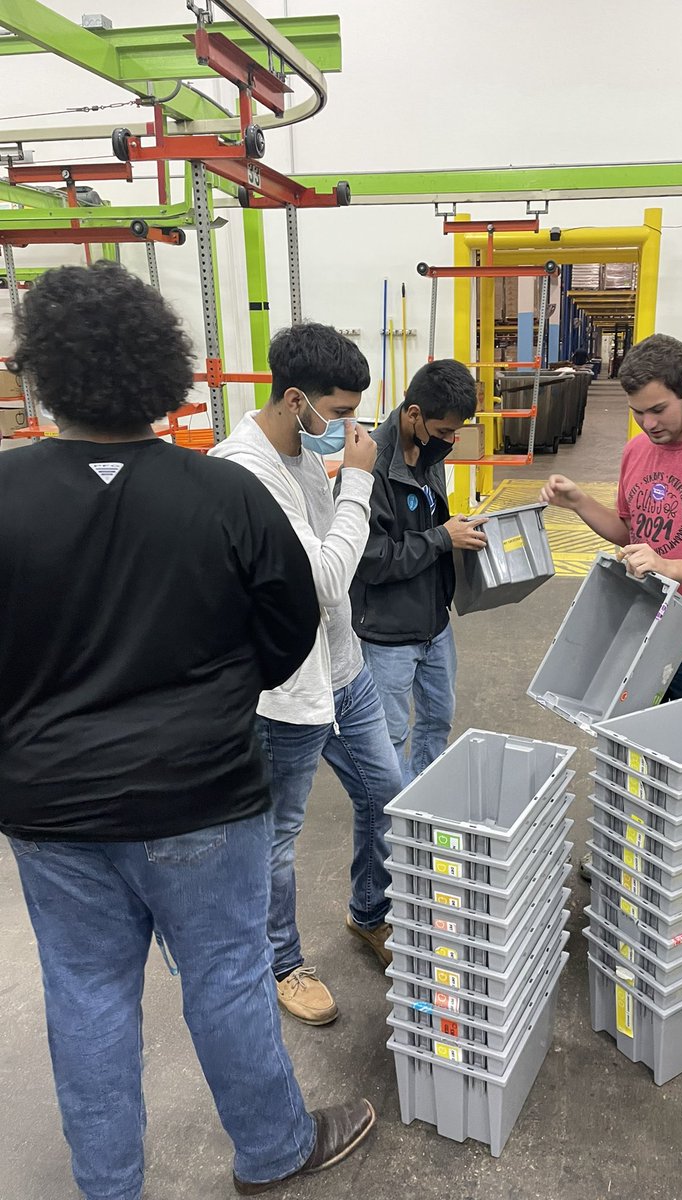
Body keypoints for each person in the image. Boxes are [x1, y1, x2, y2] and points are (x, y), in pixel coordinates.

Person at [0, 263, 375, 1200]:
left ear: (42, 372)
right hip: (201, 790)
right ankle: (273, 1149)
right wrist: (211, 691)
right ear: (165, 373)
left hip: (50, 805)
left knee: (86, 996)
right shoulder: (224, 496)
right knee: (227, 977)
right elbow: (291, 631)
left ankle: (110, 1185)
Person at [211, 322, 401, 1027]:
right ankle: (281, 962)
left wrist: (339, 478)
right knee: (276, 838)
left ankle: (369, 913)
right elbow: (321, 579)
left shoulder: (298, 453)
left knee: (388, 795)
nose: (349, 426)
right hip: (285, 693)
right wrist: (356, 480)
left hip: (343, 670)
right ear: (297, 399)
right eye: (341, 412)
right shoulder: (245, 470)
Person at [540, 334, 682, 874]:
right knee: (626, 756)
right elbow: (629, 531)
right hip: (638, 635)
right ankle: (623, 857)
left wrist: (671, 566)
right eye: (638, 412)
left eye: (658, 409)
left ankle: (669, 875)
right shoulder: (636, 451)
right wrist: (579, 502)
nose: (648, 423)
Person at [339, 359, 486, 786]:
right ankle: (390, 819)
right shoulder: (371, 464)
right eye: (443, 432)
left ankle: (417, 797)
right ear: (414, 413)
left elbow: (425, 524)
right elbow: (370, 558)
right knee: (389, 735)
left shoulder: (428, 451)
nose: (449, 441)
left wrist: (456, 531)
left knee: (438, 719)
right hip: (388, 634)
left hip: (434, 623)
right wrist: (442, 537)